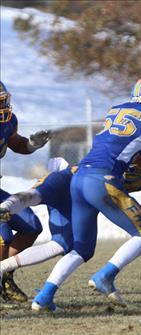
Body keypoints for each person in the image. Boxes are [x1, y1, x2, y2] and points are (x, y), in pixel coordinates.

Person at [30, 75, 141, 311]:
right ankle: (105, 275)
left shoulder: (118, 110)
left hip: (80, 176)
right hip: (103, 179)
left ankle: (44, 297)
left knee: (81, 248)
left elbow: (129, 147)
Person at [0, 159, 141, 288]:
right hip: (74, 177)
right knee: (37, 195)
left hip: (79, 197)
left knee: (62, 244)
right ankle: (6, 207)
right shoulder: (134, 143)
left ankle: (16, 276)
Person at [0, 80, 50, 302]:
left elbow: (15, 143)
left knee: (30, 227)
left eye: (3, 101)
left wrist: (31, 145)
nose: (3, 107)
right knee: (2, 236)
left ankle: (5, 278)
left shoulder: (8, 121)